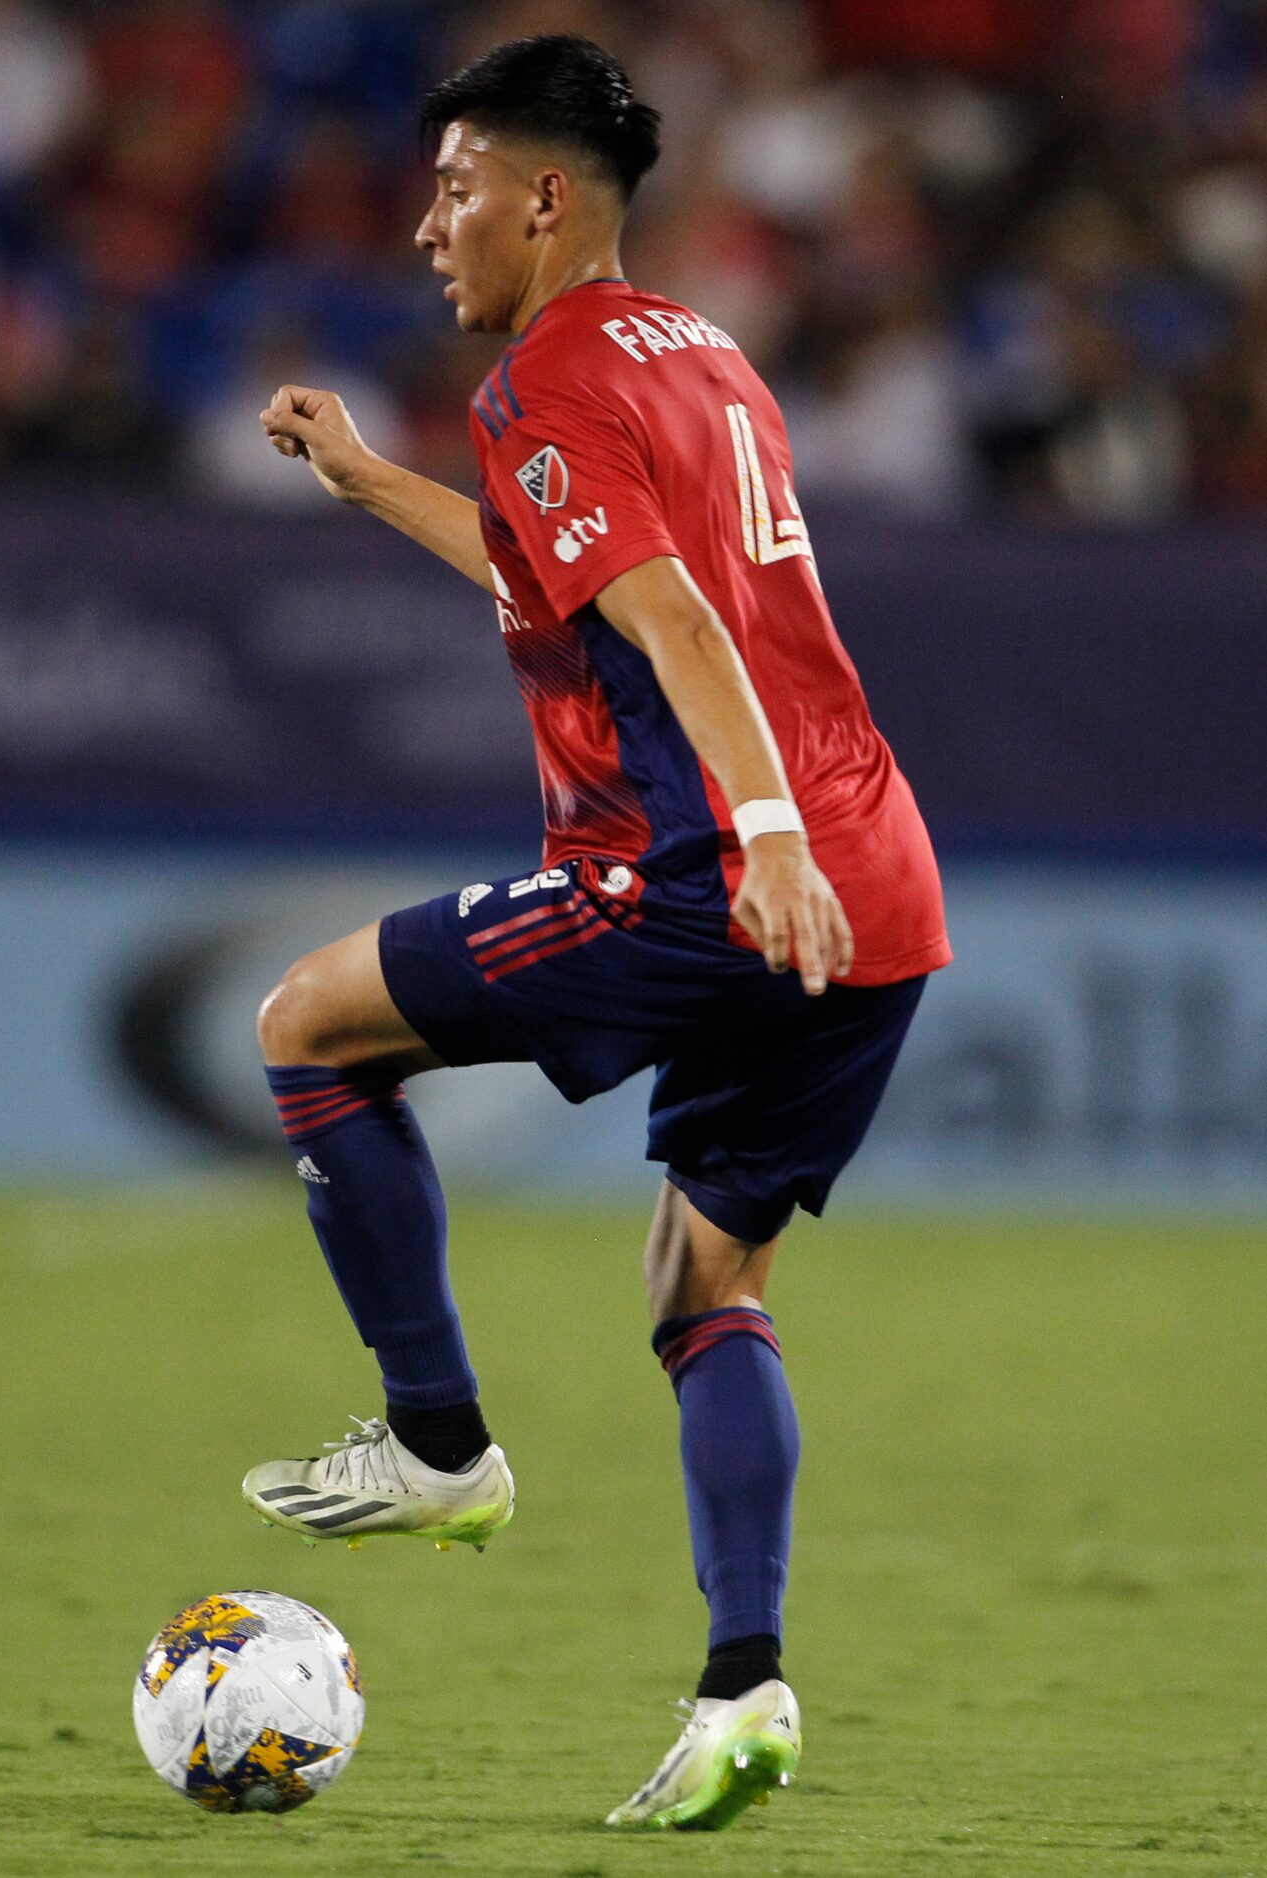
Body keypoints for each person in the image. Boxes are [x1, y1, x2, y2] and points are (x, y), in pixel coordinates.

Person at [242, 35, 950, 1832]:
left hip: (713, 870)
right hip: (879, 886)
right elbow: (570, 568)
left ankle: (434, 1442)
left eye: (458, 186)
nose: (428, 228)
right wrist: (373, 482)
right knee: (707, 1286)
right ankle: (743, 1684)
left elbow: (675, 625)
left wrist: (761, 835)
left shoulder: (548, 375)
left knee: (306, 1025)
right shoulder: (700, 352)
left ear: (544, 198)